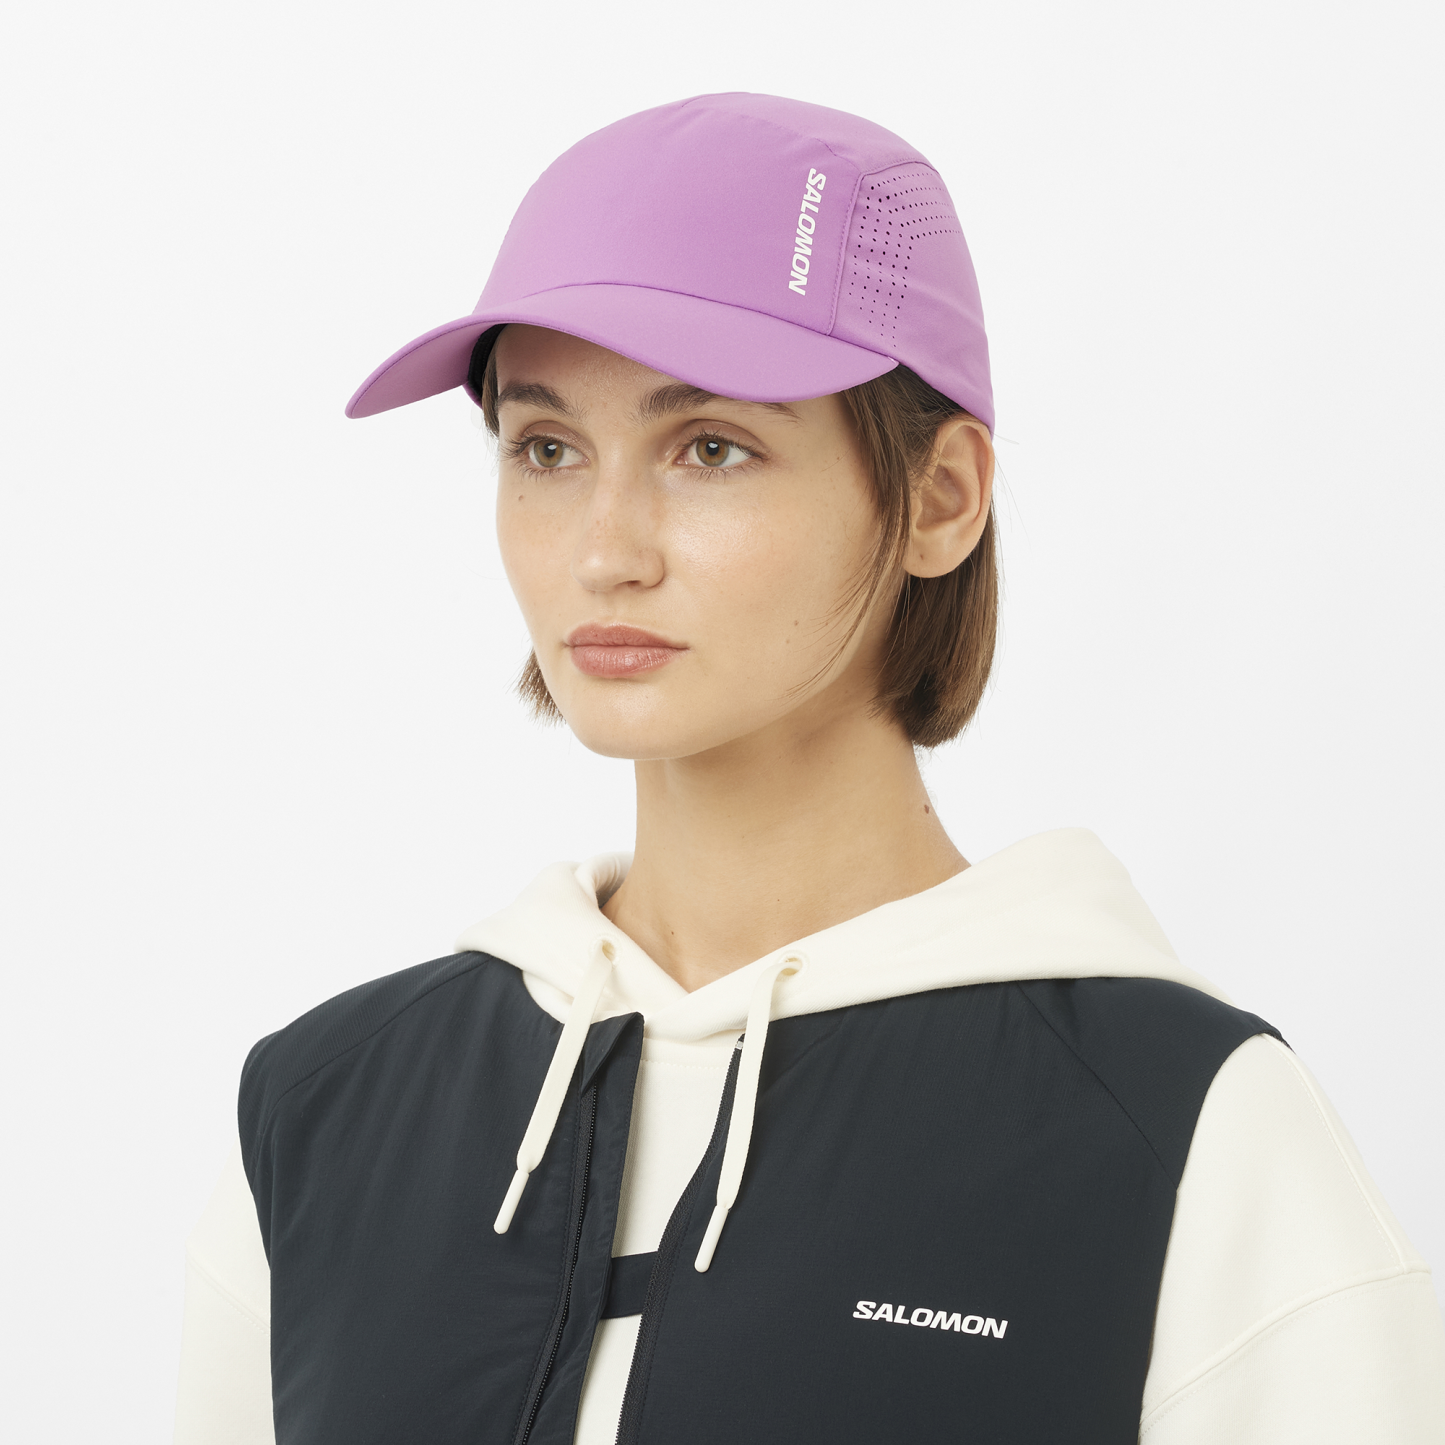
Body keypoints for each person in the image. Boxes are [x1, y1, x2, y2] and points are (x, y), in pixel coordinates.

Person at [173, 93, 1445, 1445]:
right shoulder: (320, 1115)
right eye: (546, 449)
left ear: (942, 499)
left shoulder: (1187, 1135)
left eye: (710, 448)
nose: (604, 549)